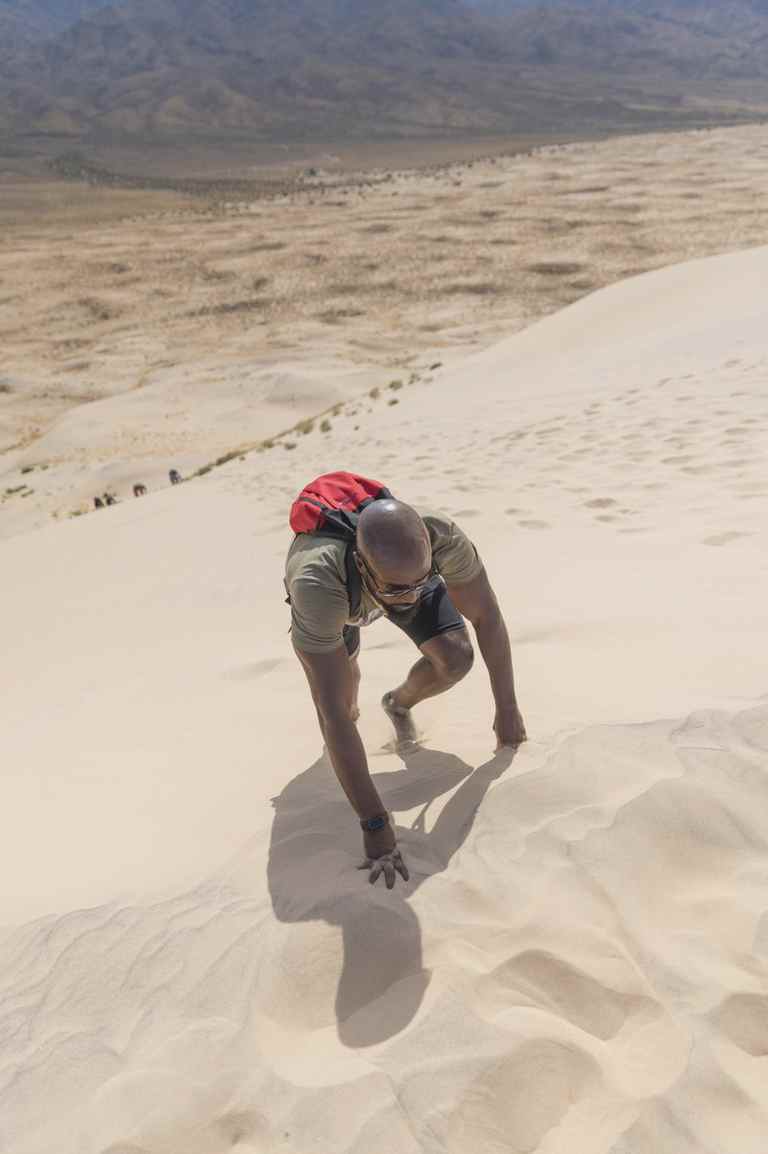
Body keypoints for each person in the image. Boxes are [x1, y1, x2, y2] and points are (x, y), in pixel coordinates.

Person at [285, 478, 526, 890]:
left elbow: (487, 616)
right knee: (345, 696)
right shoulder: (316, 585)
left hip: (396, 574)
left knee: (456, 658)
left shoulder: (440, 538)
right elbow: (331, 712)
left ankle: (398, 704)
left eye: (423, 582)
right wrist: (375, 824)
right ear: (363, 565)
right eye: (403, 591)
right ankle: (359, 647)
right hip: (345, 603)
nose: (414, 597)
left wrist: (507, 710)